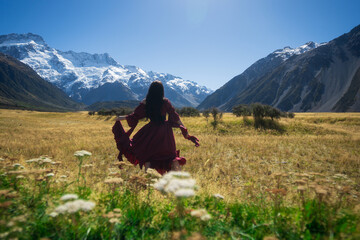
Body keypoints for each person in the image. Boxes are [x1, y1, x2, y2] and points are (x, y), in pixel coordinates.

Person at [112, 80, 199, 174]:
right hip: (165, 133)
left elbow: (135, 116)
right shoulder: (165, 102)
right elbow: (175, 116)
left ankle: (148, 181)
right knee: (170, 157)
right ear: (162, 90)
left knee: (149, 157)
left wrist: (121, 117)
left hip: (151, 132)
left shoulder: (146, 102)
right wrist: (185, 131)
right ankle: (179, 181)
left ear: (150, 90)